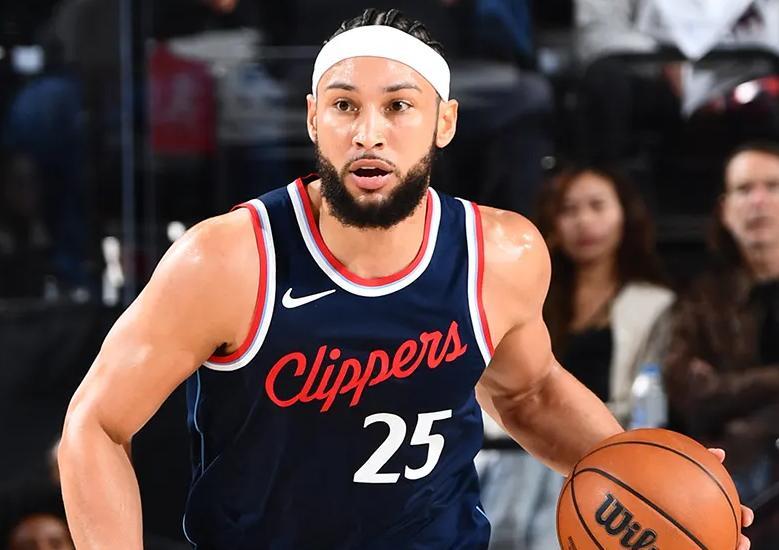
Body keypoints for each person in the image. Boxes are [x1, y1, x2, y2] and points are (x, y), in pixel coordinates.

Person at [57, 9, 752, 549]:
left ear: (443, 122)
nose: (369, 132)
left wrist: (658, 486)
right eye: (344, 106)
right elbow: (96, 426)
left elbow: (529, 391)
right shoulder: (228, 259)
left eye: (397, 106)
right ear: (313, 118)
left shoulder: (500, 252)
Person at [478, 165, 675, 549]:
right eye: (568, 209)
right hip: (506, 455)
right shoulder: (525, 292)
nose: (584, 221)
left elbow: (648, 399)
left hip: (594, 454)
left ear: (624, 215)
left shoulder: (653, 304)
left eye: (597, 206)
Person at [666, 141, 779, 546]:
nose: (758, 201)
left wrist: (737, 394)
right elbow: (690, 395)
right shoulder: (702, 298)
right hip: (733, 468)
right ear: (725, 209)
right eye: (744, 189)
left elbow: (714, 392)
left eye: (773, 186)